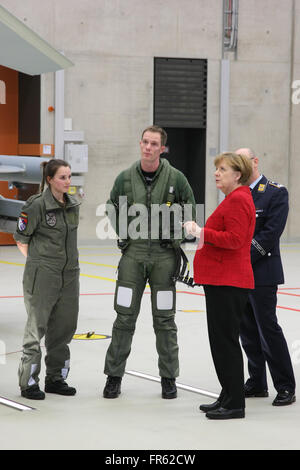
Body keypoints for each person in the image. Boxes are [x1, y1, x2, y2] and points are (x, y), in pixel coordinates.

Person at [103, 125, 196, 399]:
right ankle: (113, 377)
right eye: (145, 142)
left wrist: (177, 236)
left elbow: (190, 207)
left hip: (165, 258)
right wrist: (125, 233)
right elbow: (111, 206)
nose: (148, 147)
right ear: (140, 143)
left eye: (154, 143)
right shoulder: (124, 178)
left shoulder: (176, 179)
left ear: (162, 148)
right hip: (132, 256)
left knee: (165, 321)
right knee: (123, 318)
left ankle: (169, 378)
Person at [184, 152, 255, 420]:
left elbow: (235, 239)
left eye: (222, 169)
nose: (216, 173)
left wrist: (199, 231)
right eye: (217, 169)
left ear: (237, 175)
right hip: (222, 280)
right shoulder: (234, 198)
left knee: (225, 342)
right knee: (221, 341)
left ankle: (235, 403)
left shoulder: (237, 200)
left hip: (228, 281)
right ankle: (228, 394)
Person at [14, 159, 80, 400]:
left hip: (70, 276)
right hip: (43, 275)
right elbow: (21, 238)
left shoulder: (73, 205)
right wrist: (38, 264)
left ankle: (56, 378)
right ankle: (29, 382)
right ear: (50, 179)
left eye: (70, 176)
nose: (68, 182)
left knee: (63, 329)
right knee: (36, 330)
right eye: (62, 177)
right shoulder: (36, 205)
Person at [235, 148, 296, 406]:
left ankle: (285, 386)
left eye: (242, 162)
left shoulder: (275, 192)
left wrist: (242, 259)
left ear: (255, 162)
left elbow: (270, 234)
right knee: (246, 330)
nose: (238, 169)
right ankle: (257, 382)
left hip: (262, 271)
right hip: (239, 274)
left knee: (267, 328)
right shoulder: (237, 195)